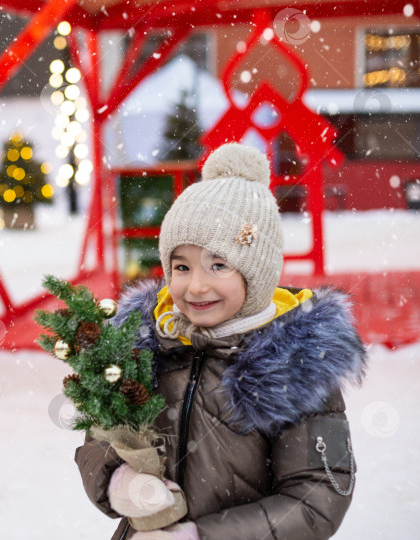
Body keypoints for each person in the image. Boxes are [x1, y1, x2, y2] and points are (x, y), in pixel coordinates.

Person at [74, 143, 366, 540]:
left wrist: (199, 536)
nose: (196, 285)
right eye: (181, 266)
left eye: (218, 264)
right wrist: (120, 482)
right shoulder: (148, 347)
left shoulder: (295, 366)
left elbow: (317, 497)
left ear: (257, 273)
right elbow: (100, 435)